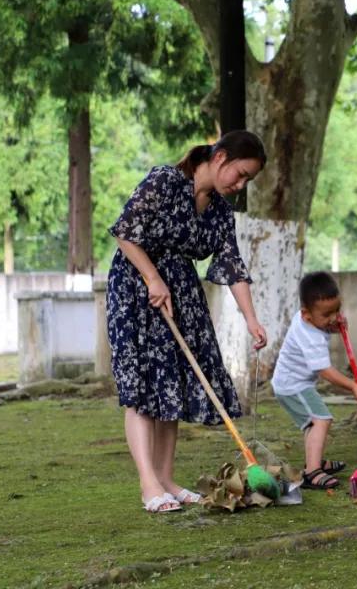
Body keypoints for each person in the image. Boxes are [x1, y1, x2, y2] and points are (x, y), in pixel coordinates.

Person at [106, 130, 269, 513]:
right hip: (137, 289)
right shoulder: (165, 180)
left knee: (172, 387)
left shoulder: (220, 211)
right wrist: (152, 278)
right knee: (143, 387)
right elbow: (125, 233)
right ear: (220, 157)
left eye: (248, 180)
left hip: (182, 297)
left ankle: (166, 480)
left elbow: (232, 265)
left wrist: (251, 319)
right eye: (240, 174)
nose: (240, 185)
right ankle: (148, 485)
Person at [271, 271, 357, 491]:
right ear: (306, 315)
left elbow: (324, 324)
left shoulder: (309, 318)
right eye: (327, 314)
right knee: (321, 419)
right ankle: (312, 472)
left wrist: (334, 326)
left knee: (312, 423)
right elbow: (325, 371)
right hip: (293, 386)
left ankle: (314, 461)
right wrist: (353, 386)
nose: (334, 317)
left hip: (291, 383)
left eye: (337, 310)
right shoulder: (310, 336)